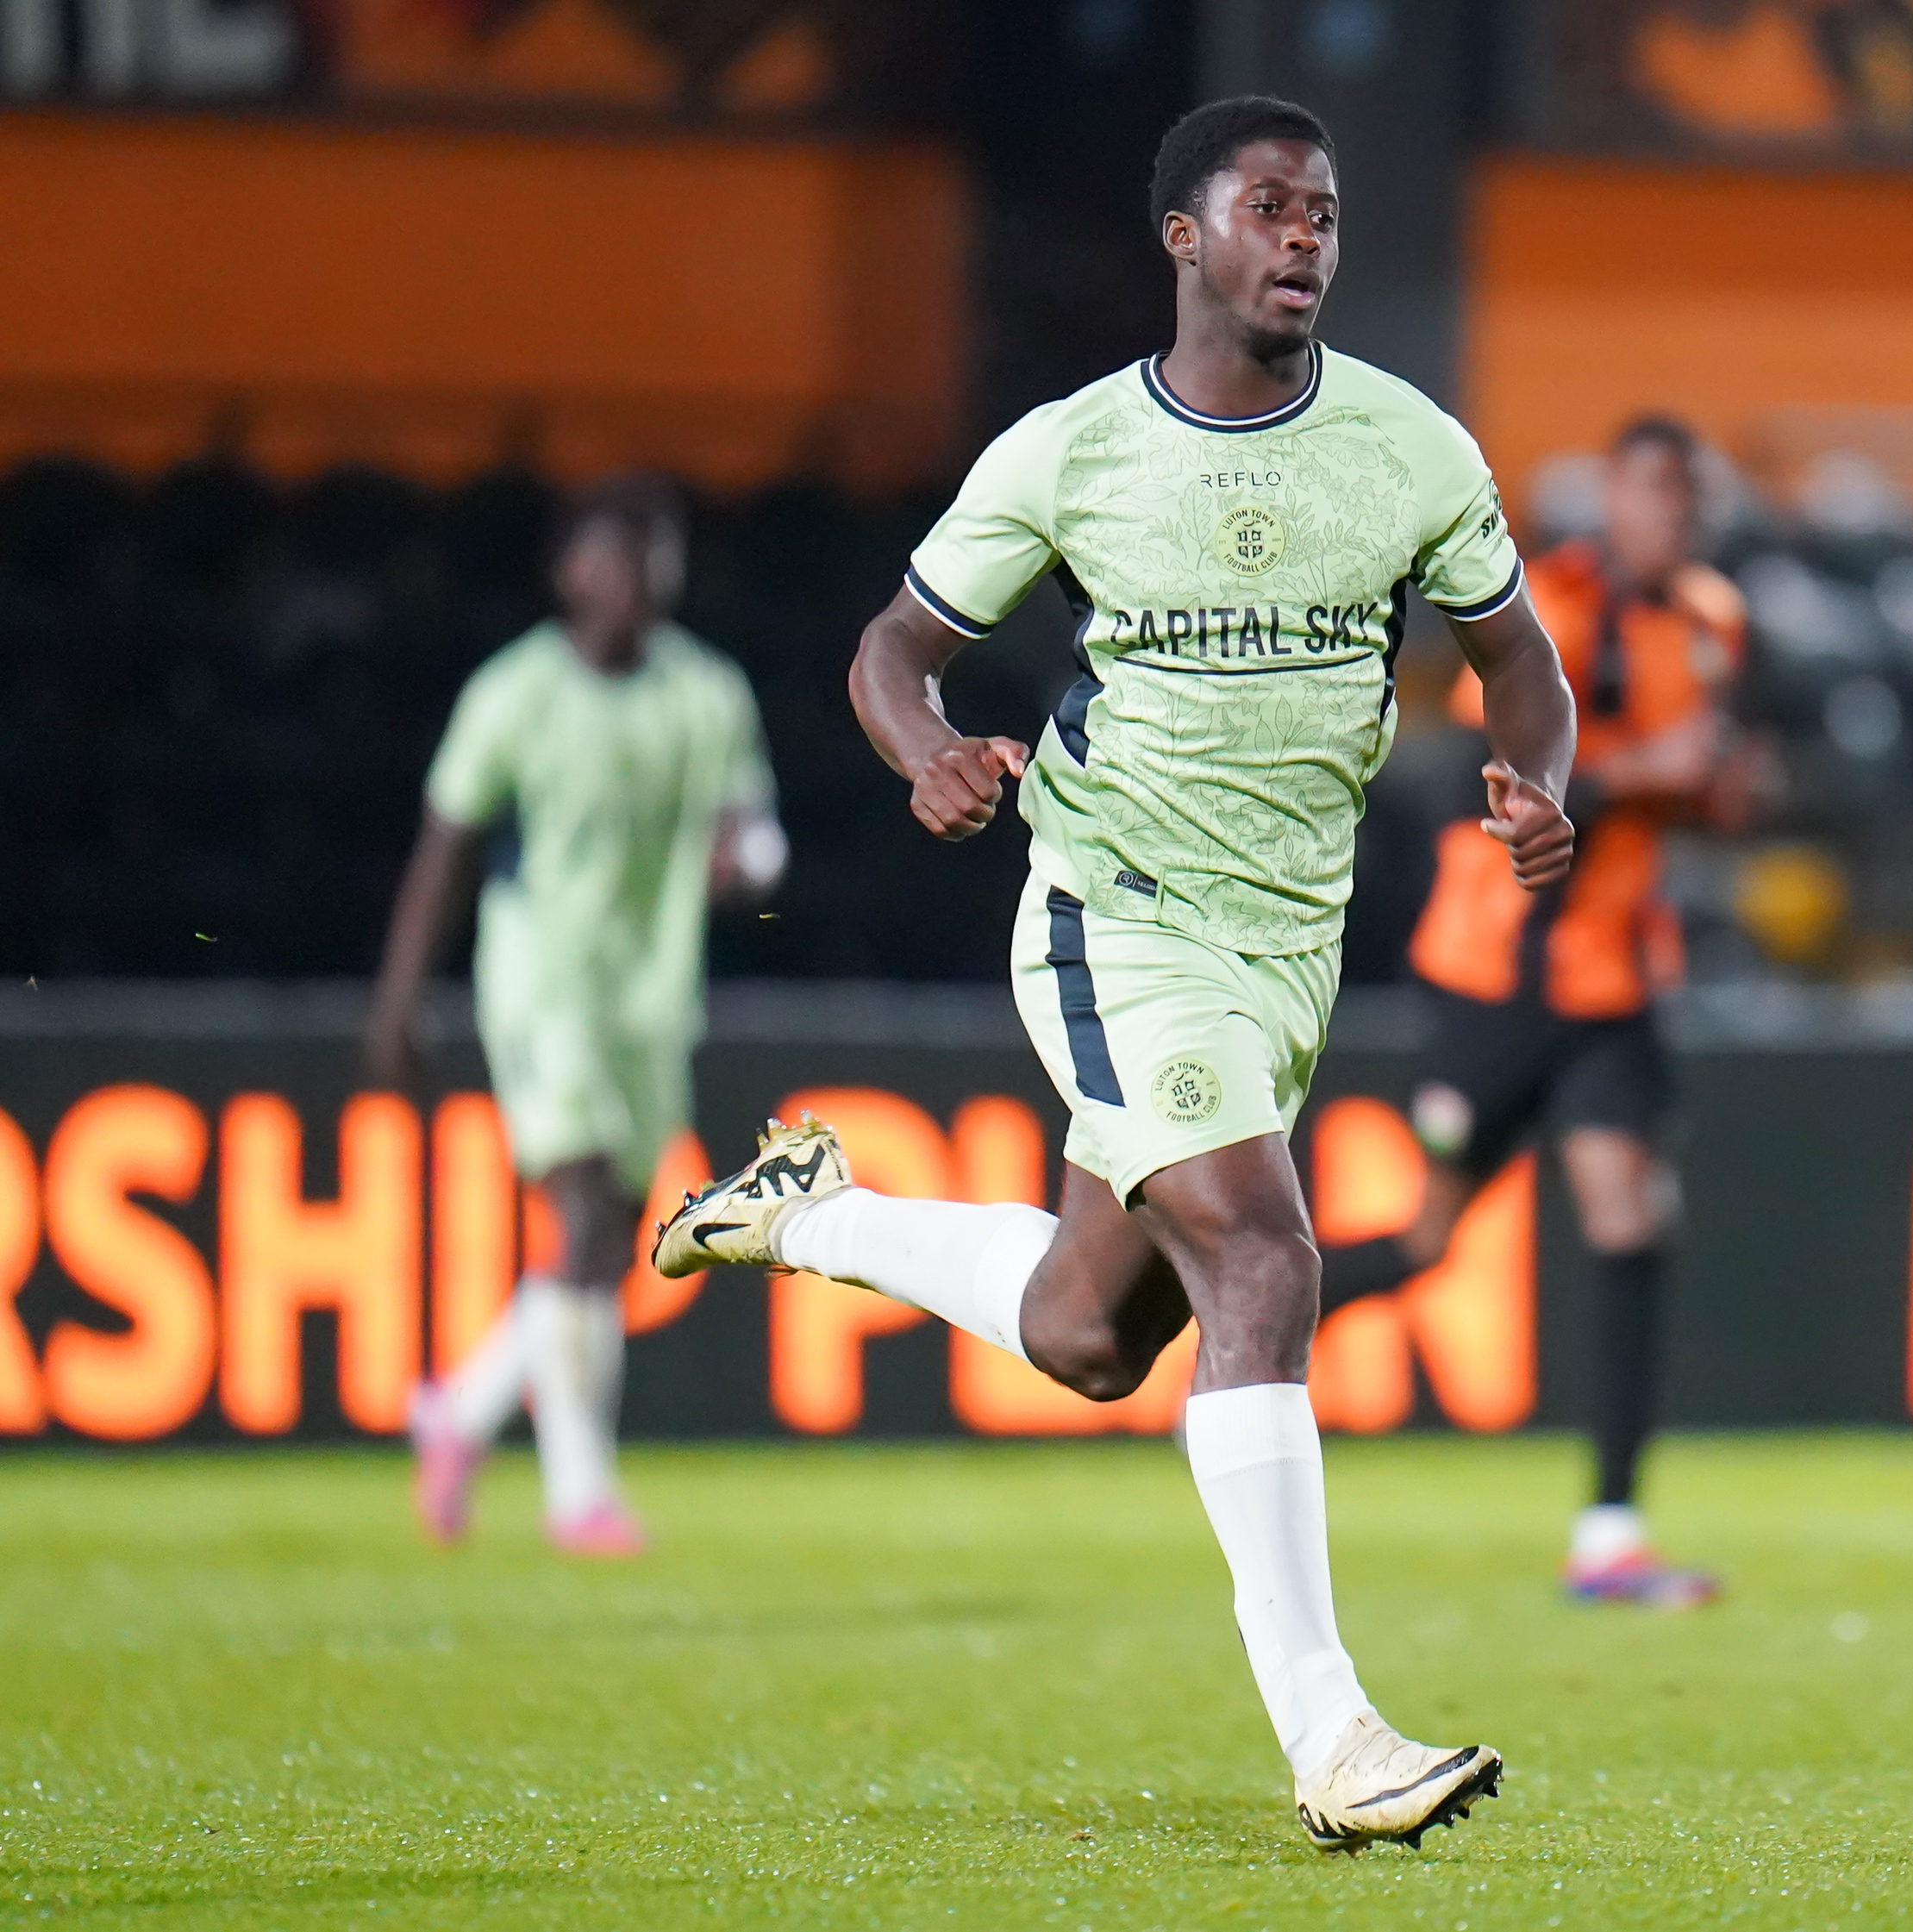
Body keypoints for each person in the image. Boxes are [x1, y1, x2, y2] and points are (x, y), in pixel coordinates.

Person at [651, 97, 1578, 1849]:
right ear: (1186, 235)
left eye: (1325, 213)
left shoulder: (1408, 447)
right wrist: (923, 751)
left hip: (1287, 944)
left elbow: (1520, 665)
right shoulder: (1074, 451)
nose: (1306, 238)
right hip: (1117, 904)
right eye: (1270, 209)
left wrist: (1542, 778)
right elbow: (897, 648)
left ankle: (810, 1215)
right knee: (1264, 1244)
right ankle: (1335, 1736)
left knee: (1092, 1331)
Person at [1317, 416, 1748, 1609]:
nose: (1678, 516)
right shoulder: (1542, 610)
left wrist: (1713, 794)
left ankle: (1609, 1534)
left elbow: (1694, 783)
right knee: (1425, 1239)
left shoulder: (1712, 619)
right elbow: (1494, 785)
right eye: (1656, 491)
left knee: (1628, 1222)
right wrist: (1638, 774)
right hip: (1497, 975)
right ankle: (1243, 1334)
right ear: (1611, 496)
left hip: (1612, 977)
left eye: (1690, 495)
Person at [366, 474, 785, 1558]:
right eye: (613, 557)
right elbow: (444, 848)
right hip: (540, 979)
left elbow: (747, 827)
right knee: (590, 1210)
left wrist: (745, 861)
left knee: (603, 1244)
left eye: (653, 559)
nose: (634, 580)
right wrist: (400, 996)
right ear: (568, 572)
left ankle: (458, 1412)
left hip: (648, 997)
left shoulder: (707, 692)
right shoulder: (515, 694)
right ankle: (579, 1494)